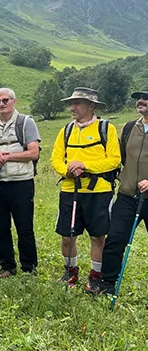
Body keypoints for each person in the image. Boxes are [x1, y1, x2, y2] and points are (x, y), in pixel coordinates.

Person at [50, 87, 120, 291]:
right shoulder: (66, 130)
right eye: (71, 103)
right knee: (67, 235)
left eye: (77, 103)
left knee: (98, 236)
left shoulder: (106, 129)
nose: (72, 107)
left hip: (99, 191)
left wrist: (85, 166)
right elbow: (56, 158)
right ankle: (70, 274)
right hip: (70, 190)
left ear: (91, 106)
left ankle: (96, 277)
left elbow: (114, 160)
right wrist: (68, 171)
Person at [89, 90, 148, 295]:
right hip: (127, 195)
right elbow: (121, 158)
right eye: (139, 99)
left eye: (146, 98)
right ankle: (106, 285)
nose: (140, 101)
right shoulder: (130, 127)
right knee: (114, 240)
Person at [0, 87, 41, 278]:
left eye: (5, 100)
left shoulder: (26, 123)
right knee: (0, 225)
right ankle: (7, 266)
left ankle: (29, 267)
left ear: (14, 101)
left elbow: (33, 152)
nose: (1, 104)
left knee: (24, 226)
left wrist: (6, 156)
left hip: (21, 182)